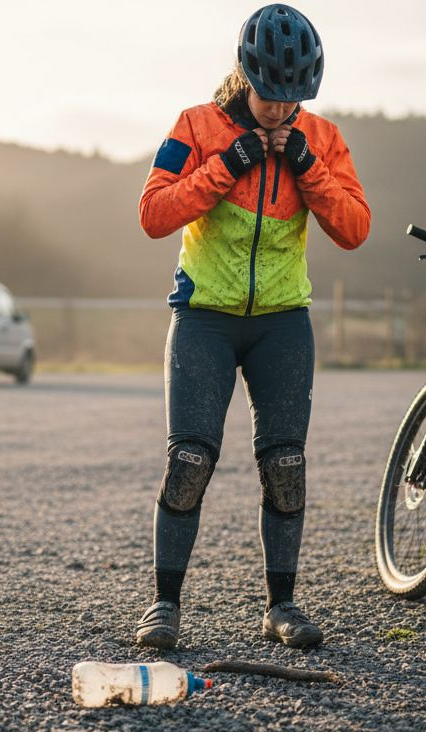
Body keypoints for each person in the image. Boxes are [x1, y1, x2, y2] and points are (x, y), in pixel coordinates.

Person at [135, 4, 370, 650]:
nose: (279, 108)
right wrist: (225, 166)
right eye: (270, 95)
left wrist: (307, 167)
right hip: (203, 317)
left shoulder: (319, 138)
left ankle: (281, 606)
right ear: (246, 75)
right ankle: (164, 606)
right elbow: (153, 212)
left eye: (293, 98)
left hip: (281, 323)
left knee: (286, 464)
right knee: (189, 460)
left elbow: (354, 227)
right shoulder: (196, 126)